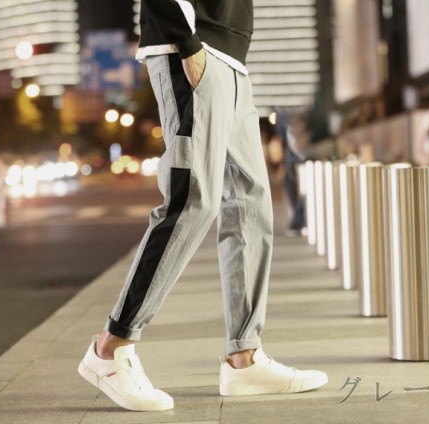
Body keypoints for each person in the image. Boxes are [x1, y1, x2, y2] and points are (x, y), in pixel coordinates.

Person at [78, 0, 328, 412]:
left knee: (251, 205)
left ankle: (244, 359)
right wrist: (186, 41)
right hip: (192, 47)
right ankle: (111, 347)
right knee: (192, 200)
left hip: (232, 59)